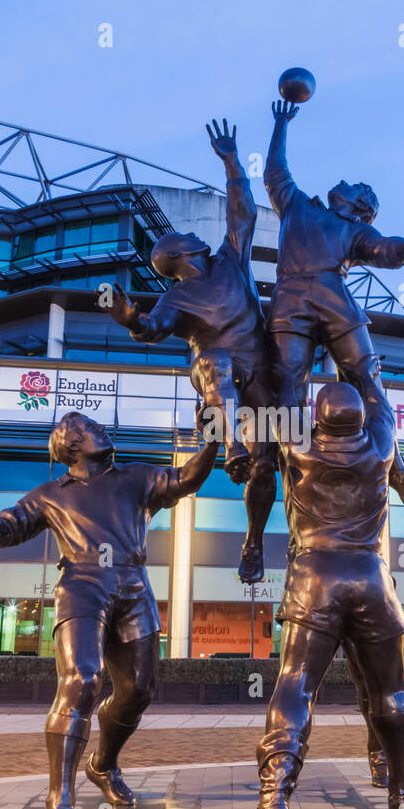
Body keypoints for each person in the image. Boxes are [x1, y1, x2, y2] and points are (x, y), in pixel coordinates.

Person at [0, 411, 218, 809]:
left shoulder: (136, 478)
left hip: (133, 586)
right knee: (82, 680)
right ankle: (58, 808)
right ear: (73, 445)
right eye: (94, 430)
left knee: (140, 689)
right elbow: (14, 521)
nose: (105, 432)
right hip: (82, 586)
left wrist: (212, 438)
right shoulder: (52, 494)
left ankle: (103, 764)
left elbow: (186, 478)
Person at [241, 380, 404, 809]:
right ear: (359, 419)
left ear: (316, 418)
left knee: (295, 684)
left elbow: (271, 395)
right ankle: (402, 793)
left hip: (314, 576)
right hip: (370, 577)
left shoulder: (296, 443)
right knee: (391, 691)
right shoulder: (380, 445)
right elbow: (376, 391)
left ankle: (274, 798)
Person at [108, 118, 277, 583]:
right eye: (186, 238)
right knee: (214, 361)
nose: (196, 236)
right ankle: (231, 445)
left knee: (267, 469)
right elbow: (152, 327)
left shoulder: (230, 261)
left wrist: (230, 162)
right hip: (218, 383)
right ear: (180, 253)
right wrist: (129, 319)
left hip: (261, 376)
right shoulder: (175, 298)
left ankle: (254, 542)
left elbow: (242, 212)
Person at [263, 98, 404, 514]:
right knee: (288, 397)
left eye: (356, 185)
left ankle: (397, 469)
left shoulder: (353, 231)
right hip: (290, 303)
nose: (345, 181)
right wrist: (281, 124)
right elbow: (274, 173)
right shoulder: (296, 205)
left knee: (370, 385)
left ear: (359, 206)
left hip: (335, 301)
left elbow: (385, 250)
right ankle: (296, 485)